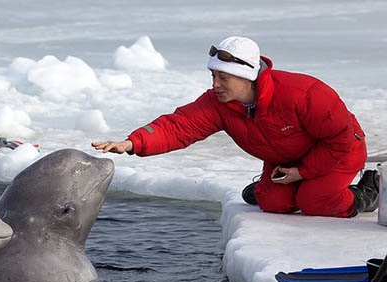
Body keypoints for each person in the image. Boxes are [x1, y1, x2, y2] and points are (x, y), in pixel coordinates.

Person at [92, 36, 379, 218]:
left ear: (247, 77)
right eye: (213, 76)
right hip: (287, 158)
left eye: (223, 78)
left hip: (339, 150)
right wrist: (133, 143)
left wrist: (302, 173)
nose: (215, 85)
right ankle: (267, 188)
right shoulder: (219, 103)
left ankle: (367, 192)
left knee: (315, 201)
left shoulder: (303, 93)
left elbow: (340, 139)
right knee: (274, 204)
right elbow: (180, 126)